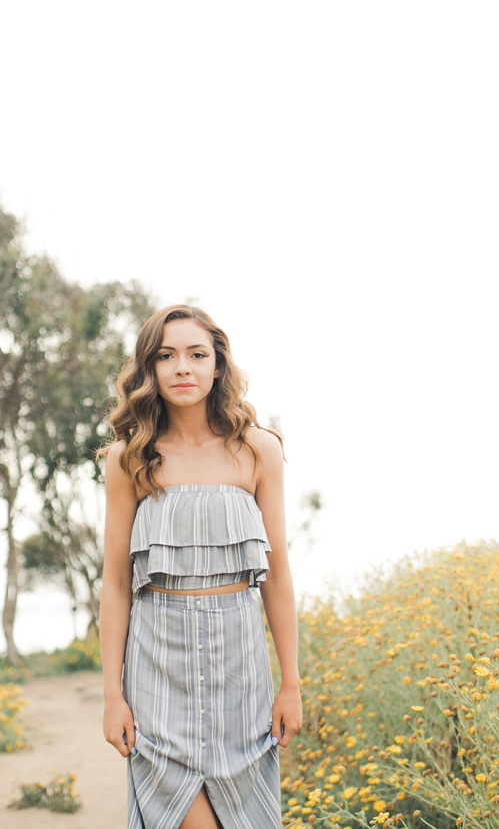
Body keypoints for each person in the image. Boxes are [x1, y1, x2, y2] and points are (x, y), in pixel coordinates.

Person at [98, 304, 302, 829]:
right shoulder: (129, 458)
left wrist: (291, 683)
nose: (182, 368)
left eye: (197, 354)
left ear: (218, 366)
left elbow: (276, 576)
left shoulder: (259, 450)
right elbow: (117, 584)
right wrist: (112, 696)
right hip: (156, 664)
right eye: (166, 356)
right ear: (150, 370)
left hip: (242, 668)